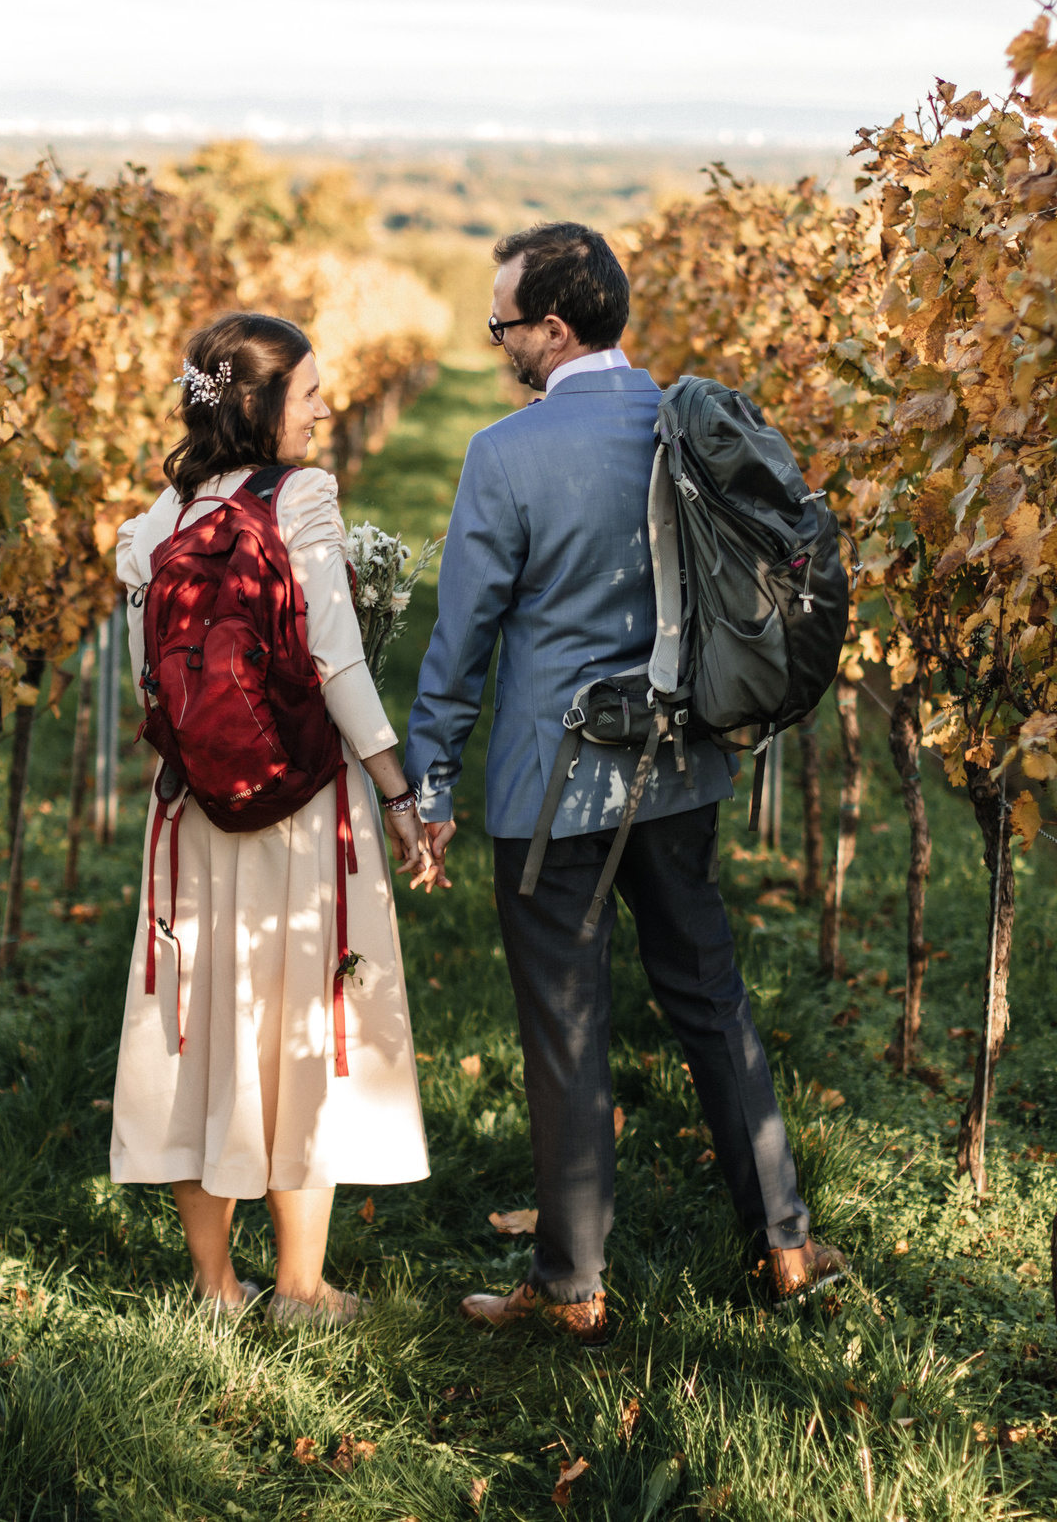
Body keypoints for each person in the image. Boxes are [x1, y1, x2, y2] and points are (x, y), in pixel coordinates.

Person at [405, 223, 846, 1349]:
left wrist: (431, 778)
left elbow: (460, 640)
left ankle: (572, 1285)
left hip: (551, 788)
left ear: (553, 329)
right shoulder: (684, 424)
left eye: (503, 320)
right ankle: (785, 1238)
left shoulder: (505, 454)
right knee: (709, 995)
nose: (494, 338)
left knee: (566, 1023)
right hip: (683, 765)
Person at [110, 310, 436, 1328]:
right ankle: (300, 1286)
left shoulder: (146, 530)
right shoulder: (301, 500)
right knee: (306, 1016)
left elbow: (149, 693)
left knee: (197, 1024)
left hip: (197, 815)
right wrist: (397, 790)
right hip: (300, 810)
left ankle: (213, 1288)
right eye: (309, 392)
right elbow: (334, 658)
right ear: (259, 407)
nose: (328, 406)